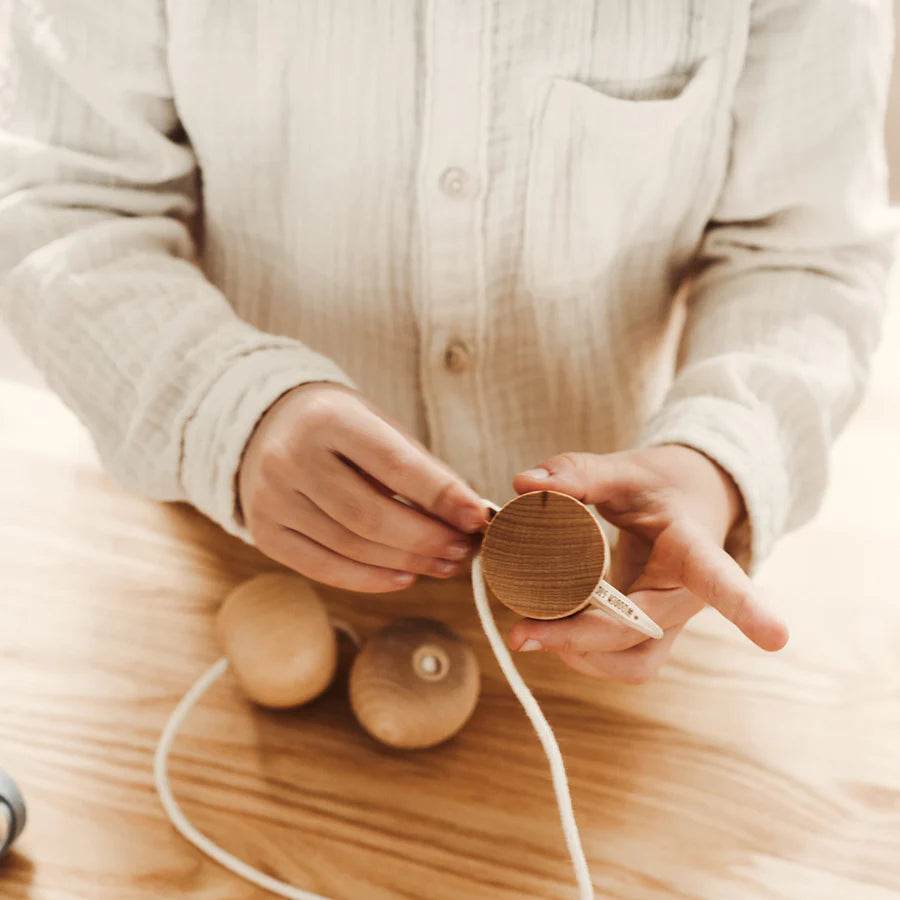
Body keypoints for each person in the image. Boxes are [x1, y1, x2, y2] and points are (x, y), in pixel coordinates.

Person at [1, 2, 894, 684]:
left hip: (615, 588)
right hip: (221, 554)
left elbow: (804, 249)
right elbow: (59, 196)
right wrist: (223, 411)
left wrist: (718, 464)